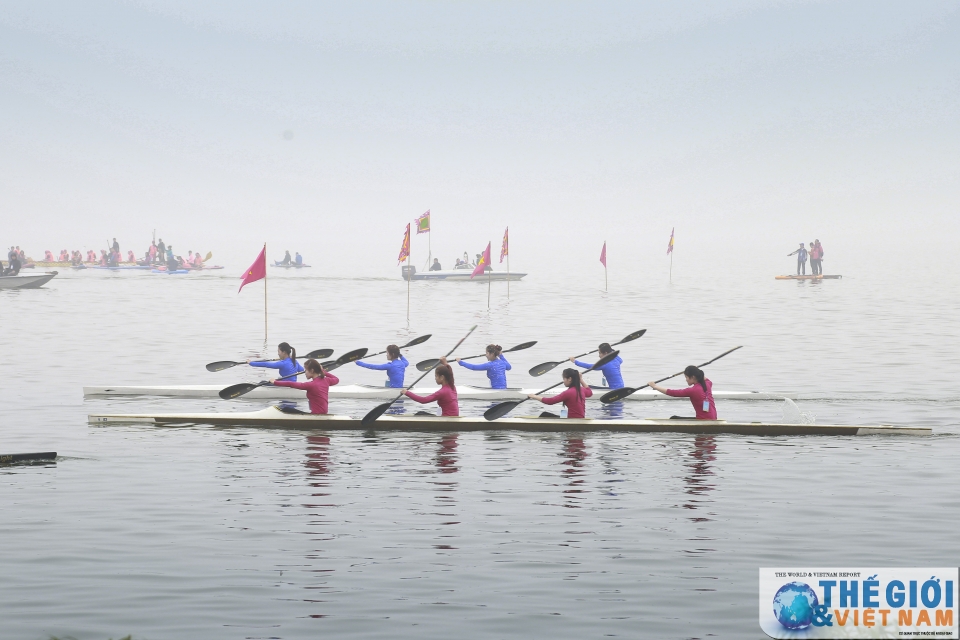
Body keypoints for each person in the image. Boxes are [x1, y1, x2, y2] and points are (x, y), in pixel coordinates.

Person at [647, 365, 717, 420]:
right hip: (713, 418)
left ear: (693, 377)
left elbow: (672, 393)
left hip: (704, 421)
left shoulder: (693, 390)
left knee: (673, 419)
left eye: (686, 377)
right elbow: (703, 377)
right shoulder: (708, 383)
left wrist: (655, 386)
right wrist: (696, 370)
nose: (686, 379)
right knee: (674, 418)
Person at [271, 359, 339, 414]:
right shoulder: (326, 380)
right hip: (324, 414)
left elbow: (290, 384)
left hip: (316, 415)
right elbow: (336, 379)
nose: (305, 372)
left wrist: (275, 382)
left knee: (286, 409)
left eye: (306, 370)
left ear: (312, 371)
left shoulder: (311, 385)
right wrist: (324, 372)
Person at [528, 368, 593, 418]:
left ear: (569, 379)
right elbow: (590, 392)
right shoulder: (582, 390)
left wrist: (534, 396)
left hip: (573, 421)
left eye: (564, 379)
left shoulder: (568, 392)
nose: (563, 381)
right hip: (581, 419)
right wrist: (581, 380)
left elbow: (550, 401)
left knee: (544, 415)